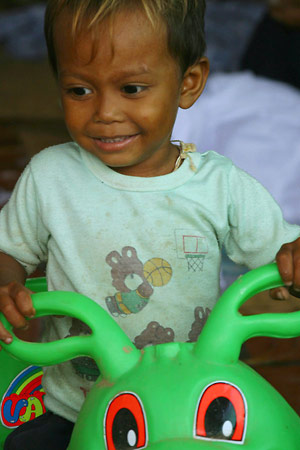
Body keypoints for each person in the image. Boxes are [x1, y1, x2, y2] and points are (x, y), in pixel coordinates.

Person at [0, 0, 299, 449]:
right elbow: (11, 252)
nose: (104, 111)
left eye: (132, 89)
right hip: (78, 408)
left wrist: (293, 262)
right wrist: (7, 281)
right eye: (80, 90)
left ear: (189, 83)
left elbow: (281, 256)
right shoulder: (49, 177)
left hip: (188, 407)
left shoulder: (220, 186)